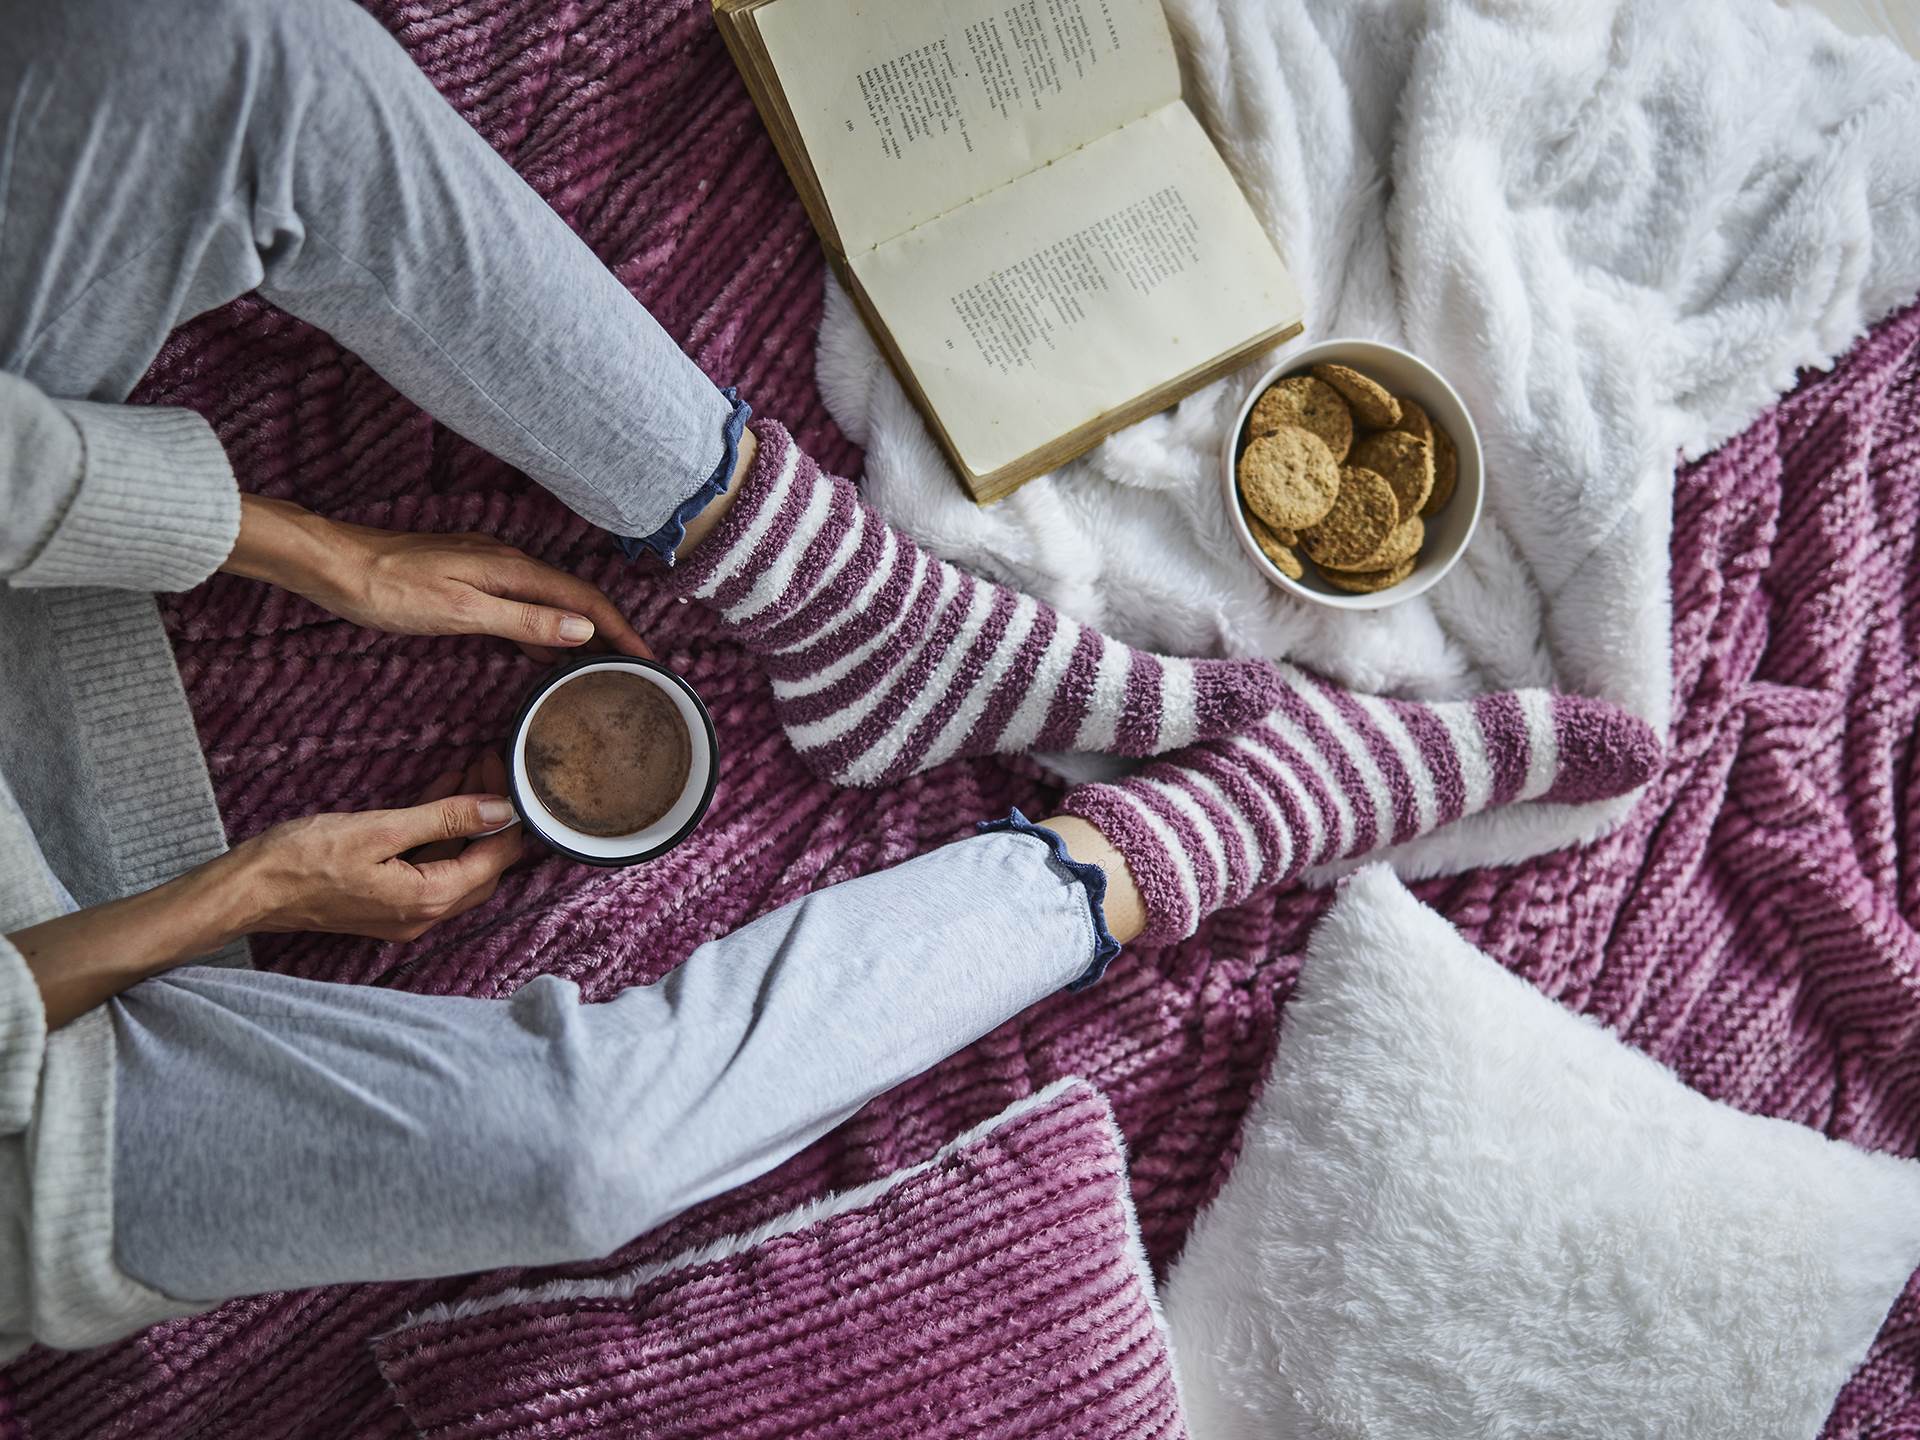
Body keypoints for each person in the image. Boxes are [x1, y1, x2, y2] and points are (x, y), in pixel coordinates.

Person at [0, 0, 1660, 1356]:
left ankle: (832, 588)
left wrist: (288, 542)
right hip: (37, 1087)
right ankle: (1185, 843)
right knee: (586, 1155)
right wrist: (254, 889)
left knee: (212, 45)